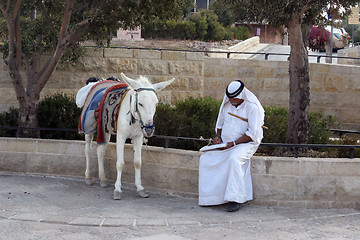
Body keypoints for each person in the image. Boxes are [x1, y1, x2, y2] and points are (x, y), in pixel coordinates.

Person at [199, 80, 265, 212]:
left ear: (241, 96)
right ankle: (212, 198)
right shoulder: (227, 106)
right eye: (230, 98)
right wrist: (218, 138)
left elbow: (252, 134)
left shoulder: (252, 108)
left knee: (234, 159)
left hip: (245, 144)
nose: (232, 101)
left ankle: (237, 198)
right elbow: (220, 125)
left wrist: (233, 143)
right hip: (226, 144)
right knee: (206, 158)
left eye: (234, 99)